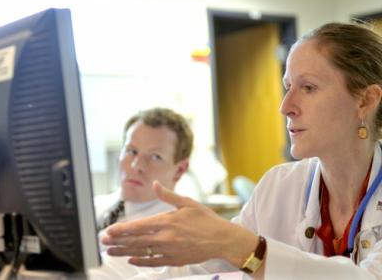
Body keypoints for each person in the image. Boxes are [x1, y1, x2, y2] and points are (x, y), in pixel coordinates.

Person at [101, 22, 382, 280]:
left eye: (308, 87)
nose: (286, 106)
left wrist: (241, 246)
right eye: (288, 87)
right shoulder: (279, 186)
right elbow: (204, 263)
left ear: (365, 100)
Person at [90, 107, 194, 279]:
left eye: (155, 157)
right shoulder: (91, 207)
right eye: (131, 151)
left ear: (180, 170)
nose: (136, 166)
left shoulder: (171, 233)